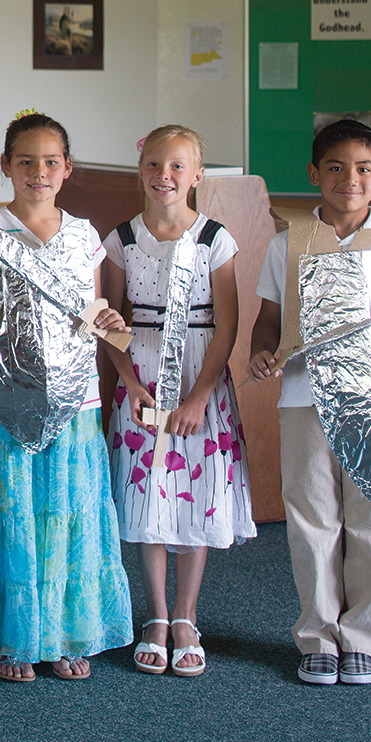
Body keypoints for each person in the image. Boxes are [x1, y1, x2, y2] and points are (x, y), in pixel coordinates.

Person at [248, 118, 371, 687]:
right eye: (335, 167)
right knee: (312, 516)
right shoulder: (288, 245)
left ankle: (362, 636)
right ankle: (318, 635)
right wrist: (265, 355)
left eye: (362, 169)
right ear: (314, 174)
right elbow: (268, 326)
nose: (348, 179)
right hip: (305, 400)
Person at [0, 112, 134, 683]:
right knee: (12, 516)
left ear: (67, 169)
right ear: (5, 166)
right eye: (25, 161)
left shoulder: (84, 237)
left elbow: (96, 315)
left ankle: (66, 633)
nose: (38, 171)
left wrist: (108, 322)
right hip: (5, 401)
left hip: (75, 401)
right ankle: (15, 638)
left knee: (70, 514)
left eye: (51, 161)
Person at [102, 125, 255, 678]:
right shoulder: (120, 239)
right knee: (150, 493)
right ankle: (158, 617)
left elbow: (228, 324)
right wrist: (129, 380)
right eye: (154, 165)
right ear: (140, 169)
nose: (163, 177)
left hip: (198, 376)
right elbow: (111, 323)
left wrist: (200, 396)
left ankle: (188, 616)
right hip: (141, 375)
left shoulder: (217, 239)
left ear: (196, 175)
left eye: (177, 167)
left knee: (197, 490)